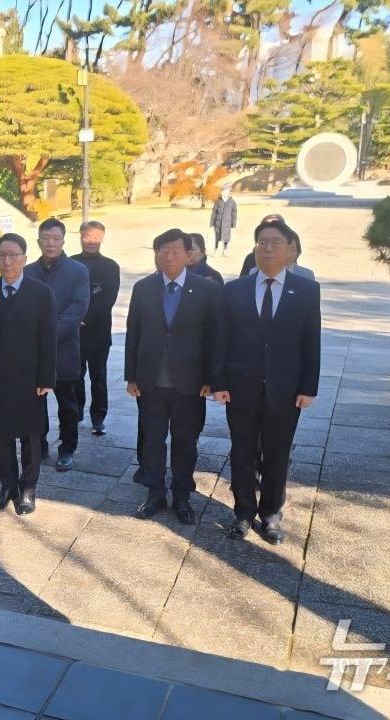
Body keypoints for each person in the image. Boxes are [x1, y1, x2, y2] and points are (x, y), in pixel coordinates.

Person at [212, 219, 321, 545]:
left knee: (277, 454)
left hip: (285, 389)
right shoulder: (234, 290)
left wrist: (308, 387)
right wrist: (218, 381)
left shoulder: (306, 290)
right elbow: (221, 339)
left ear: (291, 249)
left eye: (275, 242)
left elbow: (310, 341)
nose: (268, 248)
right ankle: (243, 512)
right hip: (240, 387)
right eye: (262, 242)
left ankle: (271, 514)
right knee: (242, 453)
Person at [125, 230, 221, 524]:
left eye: (175, 251)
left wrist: (212, 378)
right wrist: (131, 377)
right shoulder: (144, 288)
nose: (168, 257)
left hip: (190, 383)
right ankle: (155, 493)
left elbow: (215, 338)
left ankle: (182, 495)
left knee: (185, 442)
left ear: (188, 255)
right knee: (152, 441)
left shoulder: (206, 289)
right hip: (151, 381)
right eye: (162, 251)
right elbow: (133, 333)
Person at [0, 233, 57, 516]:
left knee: (30, 435)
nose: (7, 261)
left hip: (29, 378)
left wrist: (46, 378)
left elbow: (48, 338)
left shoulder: (41, 293)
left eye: (13, 255)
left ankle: (28, 489)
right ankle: (7, 485)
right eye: (2, 255)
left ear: (24, 258)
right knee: (1, 434)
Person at [25, 217, 91, 471]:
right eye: (46, 238)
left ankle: (67, 448)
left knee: (68, 404)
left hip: (64, 348)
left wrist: (48, 334)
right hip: (34, 351)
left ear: (63, 241)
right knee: (35, 402)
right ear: (38, 241)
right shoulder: (28, 272)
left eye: (56, 238)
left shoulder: (78, 271)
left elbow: (78, 308)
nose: (50, 243)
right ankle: (39, 445)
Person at [72, 221, 120, 436]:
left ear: (102, 238)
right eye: (87, 236)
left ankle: (98, 418)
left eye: (95, 237)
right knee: (75, 376)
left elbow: (108, 298)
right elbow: (64, 294)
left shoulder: (110, 266)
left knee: (98, 377)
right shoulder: (70, 263)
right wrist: (74, 318)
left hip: (99, 331)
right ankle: (76, 413)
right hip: (74, 332)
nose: (91, 242)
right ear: (80, 236)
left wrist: (85, 318)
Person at [211, 187, 238, 254]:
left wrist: (233, 224)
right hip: (218, 223)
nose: (224, 193)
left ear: (229, 193)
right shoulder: (217, 201)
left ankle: (225, 250)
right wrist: (212, 223)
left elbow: (234, 214)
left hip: (227, 223)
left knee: (226, 237)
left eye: (226, 192)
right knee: (217, 237)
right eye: (223, 191)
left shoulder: (232, 202)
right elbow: (214, 212)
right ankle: (216, 249)